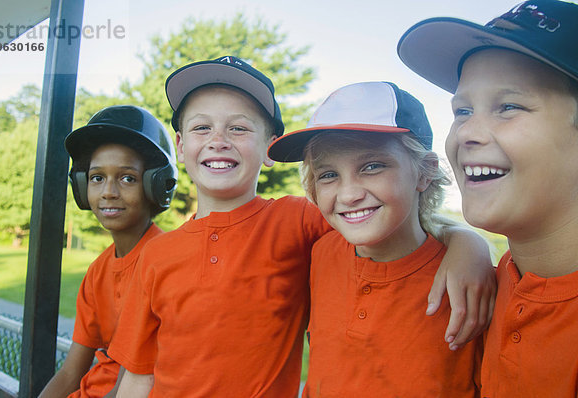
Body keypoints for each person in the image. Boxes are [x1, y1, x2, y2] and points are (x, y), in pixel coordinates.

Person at [108, 56, 495, 397]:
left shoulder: (298, 223)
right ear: (179, 144)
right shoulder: (158, 254)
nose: (349, 193)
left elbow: (403, 229)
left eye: (239, 128)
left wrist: (468, 242)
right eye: (201, 128)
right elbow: (139, 373)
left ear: (270, 145)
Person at [398, 0, 578, 396]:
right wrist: (467, 241)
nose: (466, 134)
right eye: (462, 111)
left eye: (508, 106)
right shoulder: (494, 286)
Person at [268, 81, 483, 397]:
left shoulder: (468, 283)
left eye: (372, 166)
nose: (350, 195)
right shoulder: (318, 252)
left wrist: (470, 243)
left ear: (425, 172)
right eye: (328, 174)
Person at [38, 105, 177, 398]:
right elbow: (70, 373)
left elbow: (134, 382)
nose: (108, 192)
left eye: (127, 178)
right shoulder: (97, 271)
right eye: (97, 177)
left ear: (156, 185)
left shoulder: (166, 264)